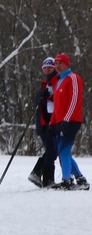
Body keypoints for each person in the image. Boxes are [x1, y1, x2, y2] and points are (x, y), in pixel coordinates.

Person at [49, 53, 87, 190]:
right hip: (61, 121)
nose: (57, 66)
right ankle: (80, 179)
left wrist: (66, 120)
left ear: (66, 64)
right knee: (62, 151)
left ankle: (67, 180)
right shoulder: (59, 81)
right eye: (56, 63)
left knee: (63, 151)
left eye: (60, 63)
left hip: (71, 121)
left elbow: (74, 100)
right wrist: (52, 122)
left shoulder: (73, 78)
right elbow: (58, 106)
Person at [30, 57, 59, 188]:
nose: (47, 70)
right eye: (45, 68)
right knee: (52, 151)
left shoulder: (57, 82)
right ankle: (47, 180)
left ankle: (39, 174)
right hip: (44, 124)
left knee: (52, 151)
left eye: (50, 68)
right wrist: (41, 96)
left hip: (53, 123)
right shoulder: (44, 84)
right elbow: (37, 102)